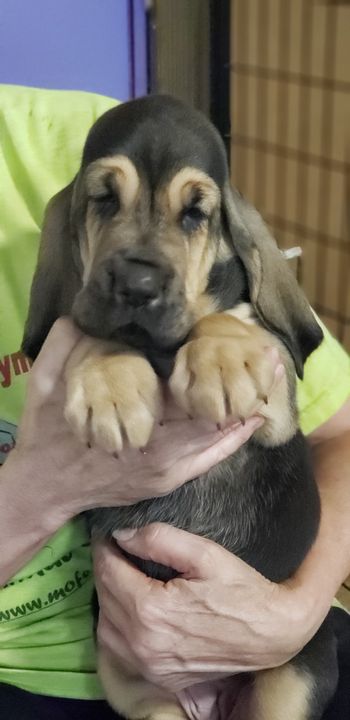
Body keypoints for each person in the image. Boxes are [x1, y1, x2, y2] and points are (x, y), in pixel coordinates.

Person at [1, 317, 350, 720]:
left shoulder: (229, 296)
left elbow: (341, 431)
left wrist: (297, 611)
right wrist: (41, 489)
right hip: (66, 674)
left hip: (287, 638)